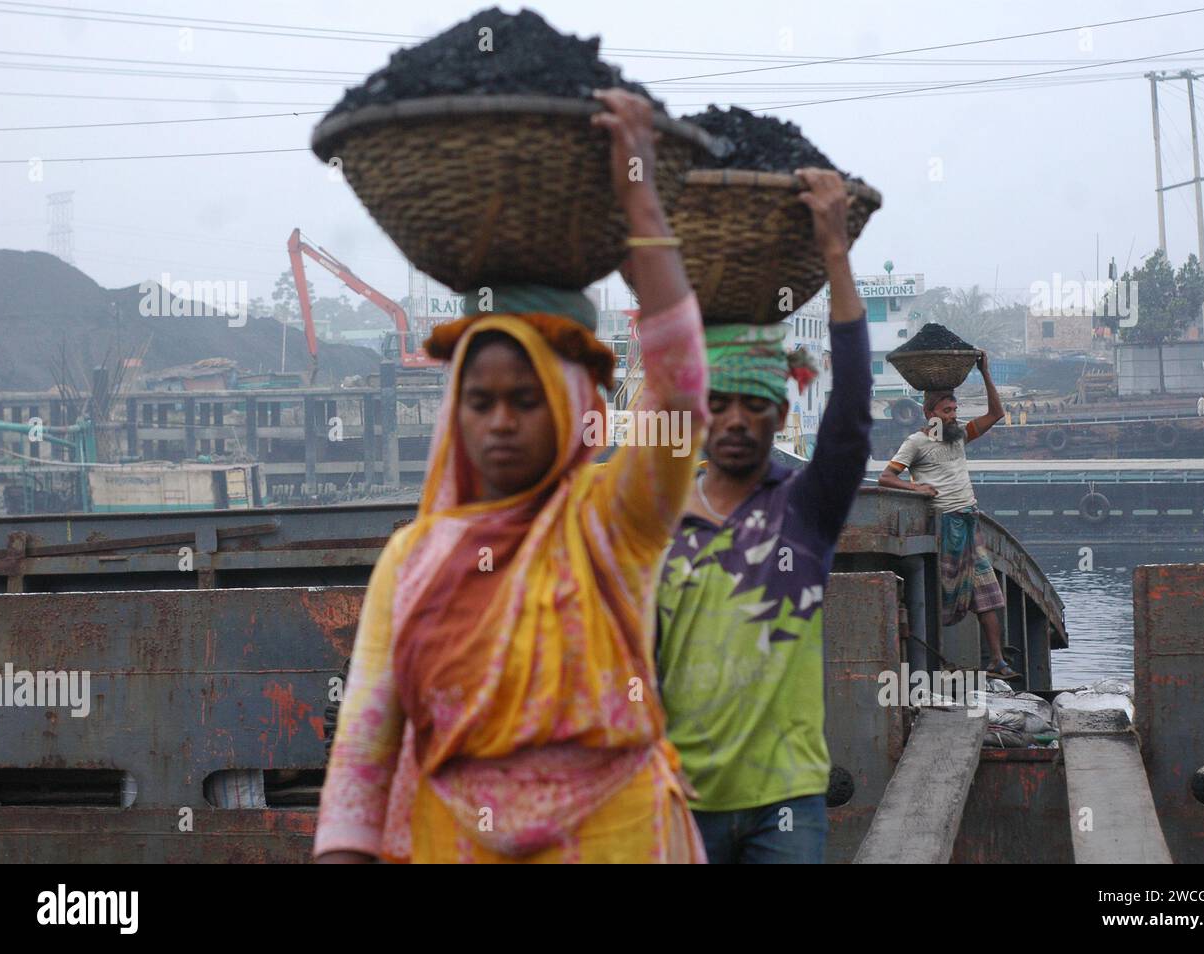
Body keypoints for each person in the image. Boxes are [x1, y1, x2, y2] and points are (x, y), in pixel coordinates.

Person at [313, 89, 709, 864]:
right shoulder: (412, 560)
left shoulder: (611, 524)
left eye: (525, 401)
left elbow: (681, 385)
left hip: (616, 839)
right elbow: (365, 741)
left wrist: (637, 196)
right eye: (481, 401)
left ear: (568, 406)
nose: (500, 422)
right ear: (454, 413)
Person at [655, 168, 874, 864]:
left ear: (781, 413)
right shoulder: (657, 516)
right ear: (699, 413)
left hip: (784, 803)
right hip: (674, 800)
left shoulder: (804, 510)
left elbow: (851, 421)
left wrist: (835, 254)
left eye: (756, 404)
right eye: (720, 404)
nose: (736, 421)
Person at [877, 354, 1015, 678]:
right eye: (946, 411)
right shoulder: (916, 443)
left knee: (987, 593)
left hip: (969, 521)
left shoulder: (960, 436)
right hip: (944, 525)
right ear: (929, 413)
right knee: (945, 595)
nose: (953, 417)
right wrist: (917, 489)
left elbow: (997, 413)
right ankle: (922, 667)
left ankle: (997, 661)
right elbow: (886, 477)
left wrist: (985, 372)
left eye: (955, 411)